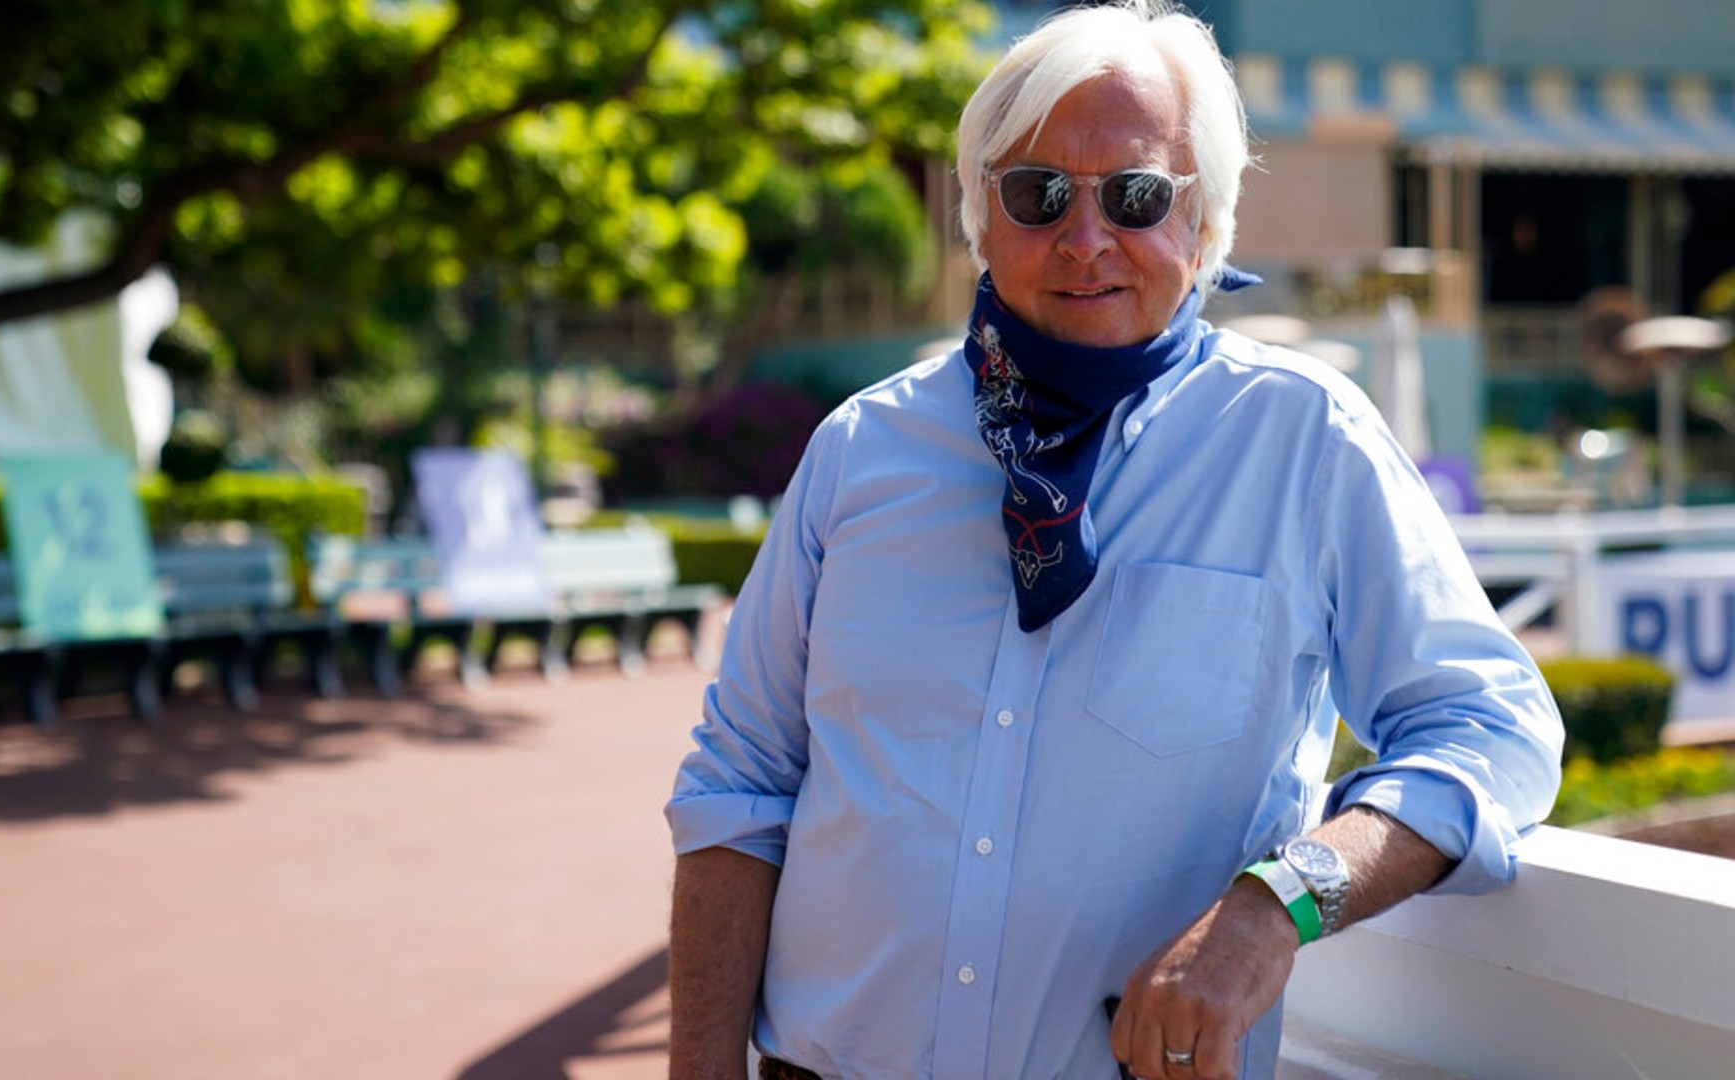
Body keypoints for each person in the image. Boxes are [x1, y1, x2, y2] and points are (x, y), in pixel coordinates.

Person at [664, 3, 1564, 1078]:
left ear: (1205, 224)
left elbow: (1488, 725)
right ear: (981, 219)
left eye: (1135, 196)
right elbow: (741, 784)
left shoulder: (1304, 443)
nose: (1084, 239)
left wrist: (1278, 906)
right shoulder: (861, 451)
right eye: (1038, 193)